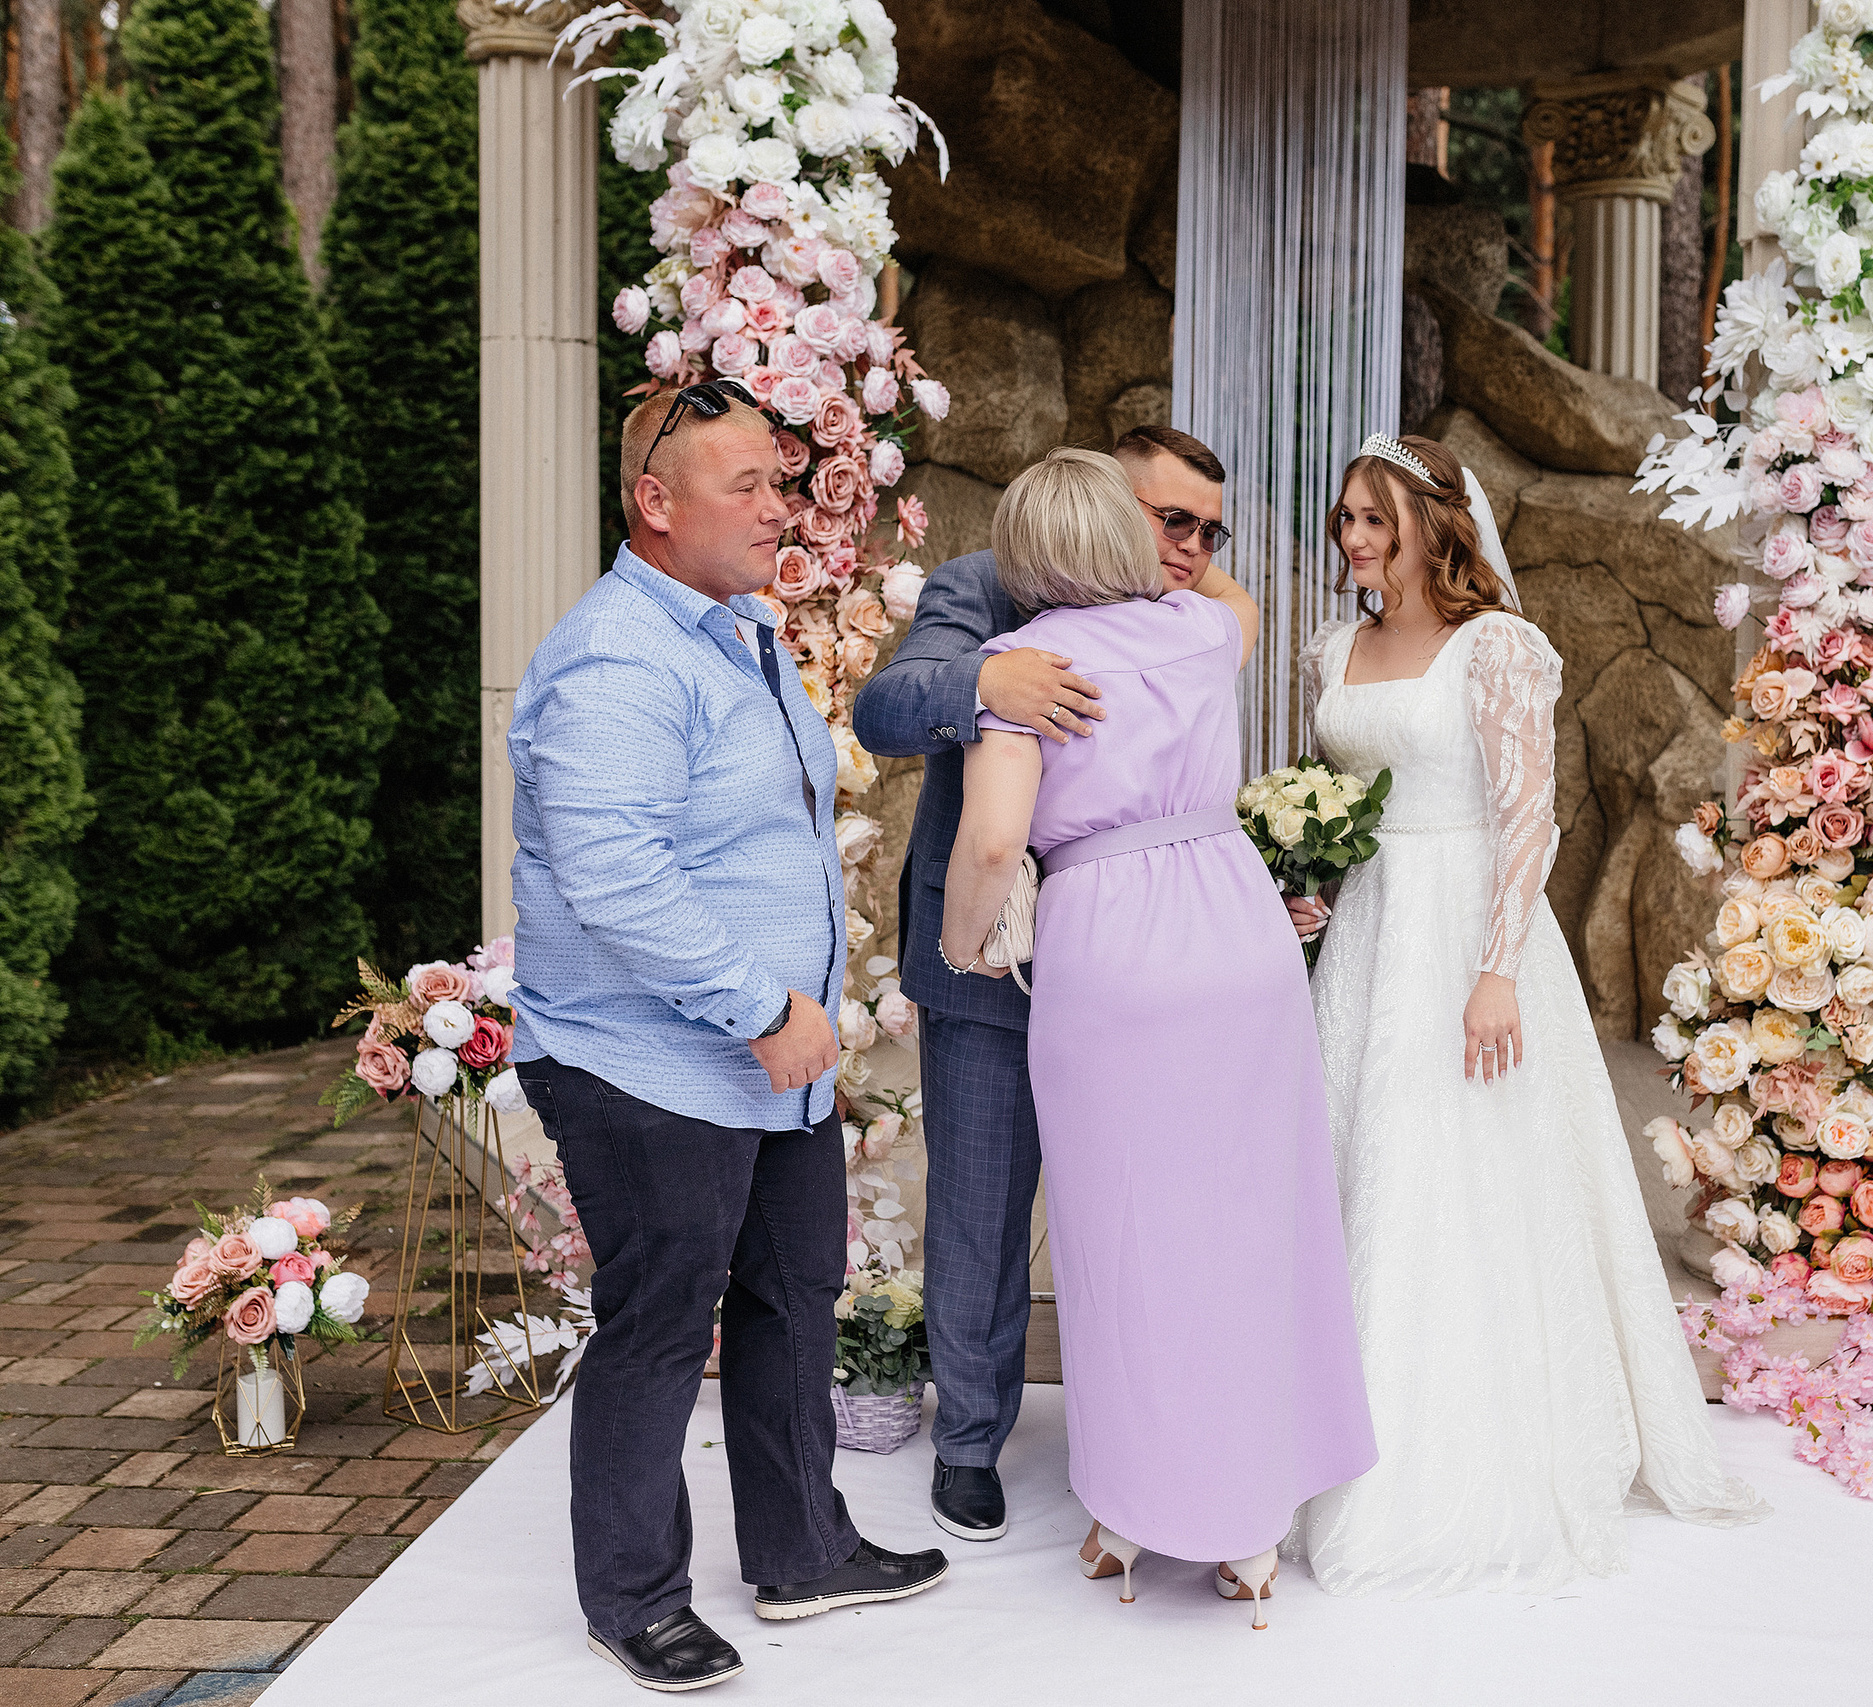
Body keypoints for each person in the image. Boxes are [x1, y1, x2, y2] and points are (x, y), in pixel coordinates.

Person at [508, 381, 946, 1693]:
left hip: (769, 1066)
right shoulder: (615, 657)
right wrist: (761, 1003)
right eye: (744, 485)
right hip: (651, 1061)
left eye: (781, 481)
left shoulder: (732, 629)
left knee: (791, 1294)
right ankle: (632, 1597)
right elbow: (614, 870)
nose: (779, 507)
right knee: (660, 1320)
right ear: (654, 501)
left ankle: (801, 1547)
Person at [1288, 433, 1769, 1598]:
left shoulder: (1495, 649)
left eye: (1372, 519)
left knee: (1466, 1166)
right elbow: (1342, 799)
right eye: (1345, 518)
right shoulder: (1333, 649)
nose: (1352, 537)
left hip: (1469, 930)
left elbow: (1528, 819)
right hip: (1368, 928)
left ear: (1429, 525)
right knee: (1360, 1163)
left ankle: (1470, 1441)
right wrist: (1307, 869)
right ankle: (1328, 1432)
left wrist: (1496, 967)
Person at [936, 448, 1374, 1626]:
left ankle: (1130, 1513)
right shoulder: (1192, 627)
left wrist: (963, 942)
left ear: (1023, 552)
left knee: (1121, 1233)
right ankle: (1251, 1525)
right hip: (1237, 928)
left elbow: (989, 847)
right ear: (1131, 541)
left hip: (1112, 939)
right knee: (1248, 1222)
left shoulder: (1018, 668)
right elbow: (1240, 605)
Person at [850, 425, 1239, 1545]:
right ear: (1109, 500)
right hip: (986, 967)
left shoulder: (1189, 620)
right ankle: (969, 1443)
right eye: (1171, 521)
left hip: (1138, 968)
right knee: (977, 1207)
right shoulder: (984, 586)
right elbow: (888, 707)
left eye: (1209, 534)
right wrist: (986, 679)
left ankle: (1148, 1443)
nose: (1188, 549)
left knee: (1141, 1205)